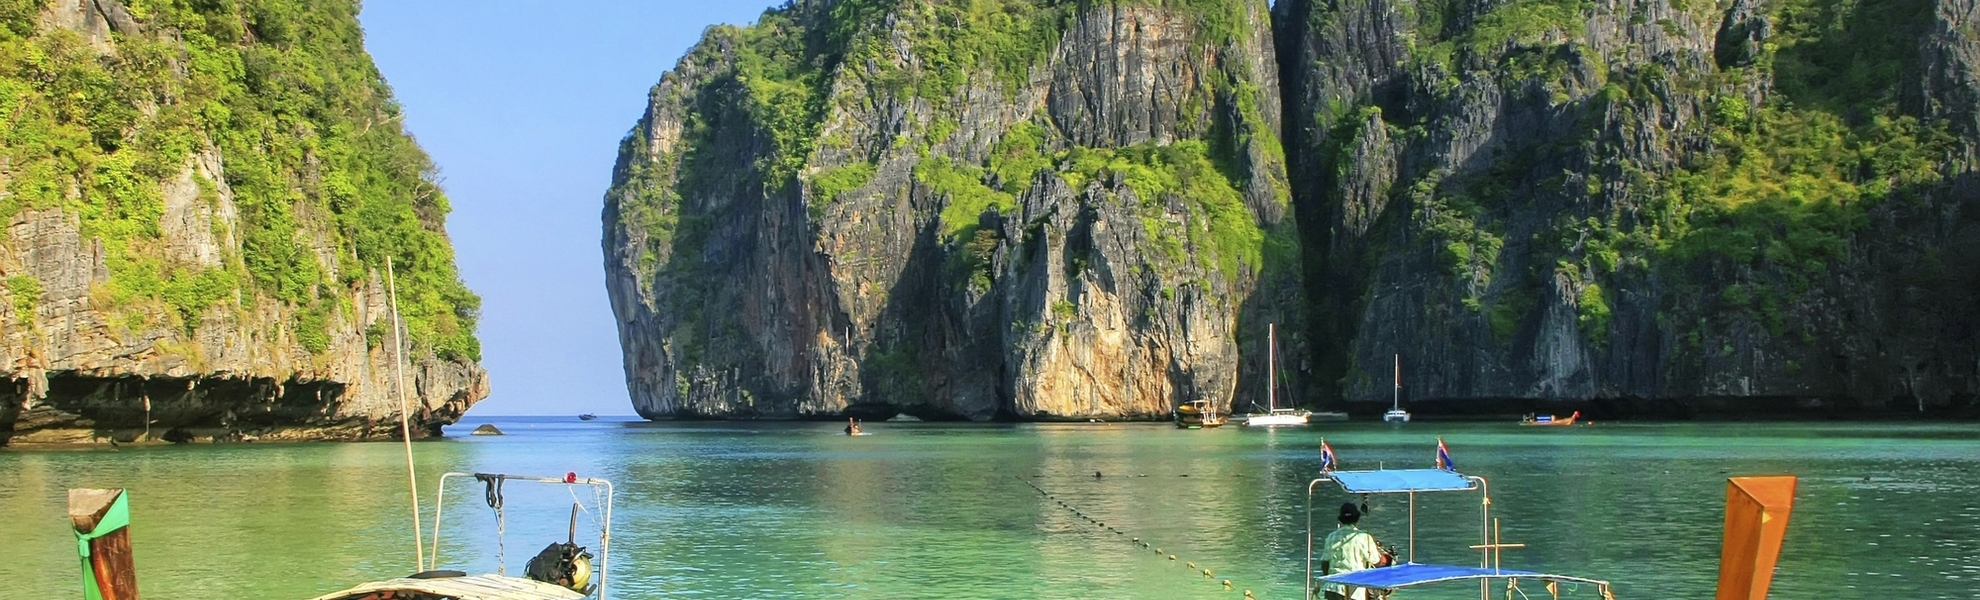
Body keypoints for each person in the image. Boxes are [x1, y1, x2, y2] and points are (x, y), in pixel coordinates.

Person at [1319, 502, 1389, 600]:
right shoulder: (1363, 537)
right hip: (1354, 591)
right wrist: (1386, 558)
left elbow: (1325, 563)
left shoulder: (1331, 537)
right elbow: (1377, 562)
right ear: (1357, 519)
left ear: (1341, 520)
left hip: (1332, 588)